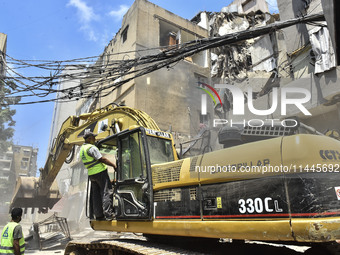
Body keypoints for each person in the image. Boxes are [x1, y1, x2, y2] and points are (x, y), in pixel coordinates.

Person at [80, 131, 116, 220]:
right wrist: (114, 165)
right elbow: (101, 159)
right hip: (100, 172)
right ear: (89, 139)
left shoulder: (82, 149)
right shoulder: (91, 148)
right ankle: (109, 214)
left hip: (91, 174)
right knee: (106, 192)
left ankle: (98, 215)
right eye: (93, 137)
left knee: (96, 195)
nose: (95, 139)